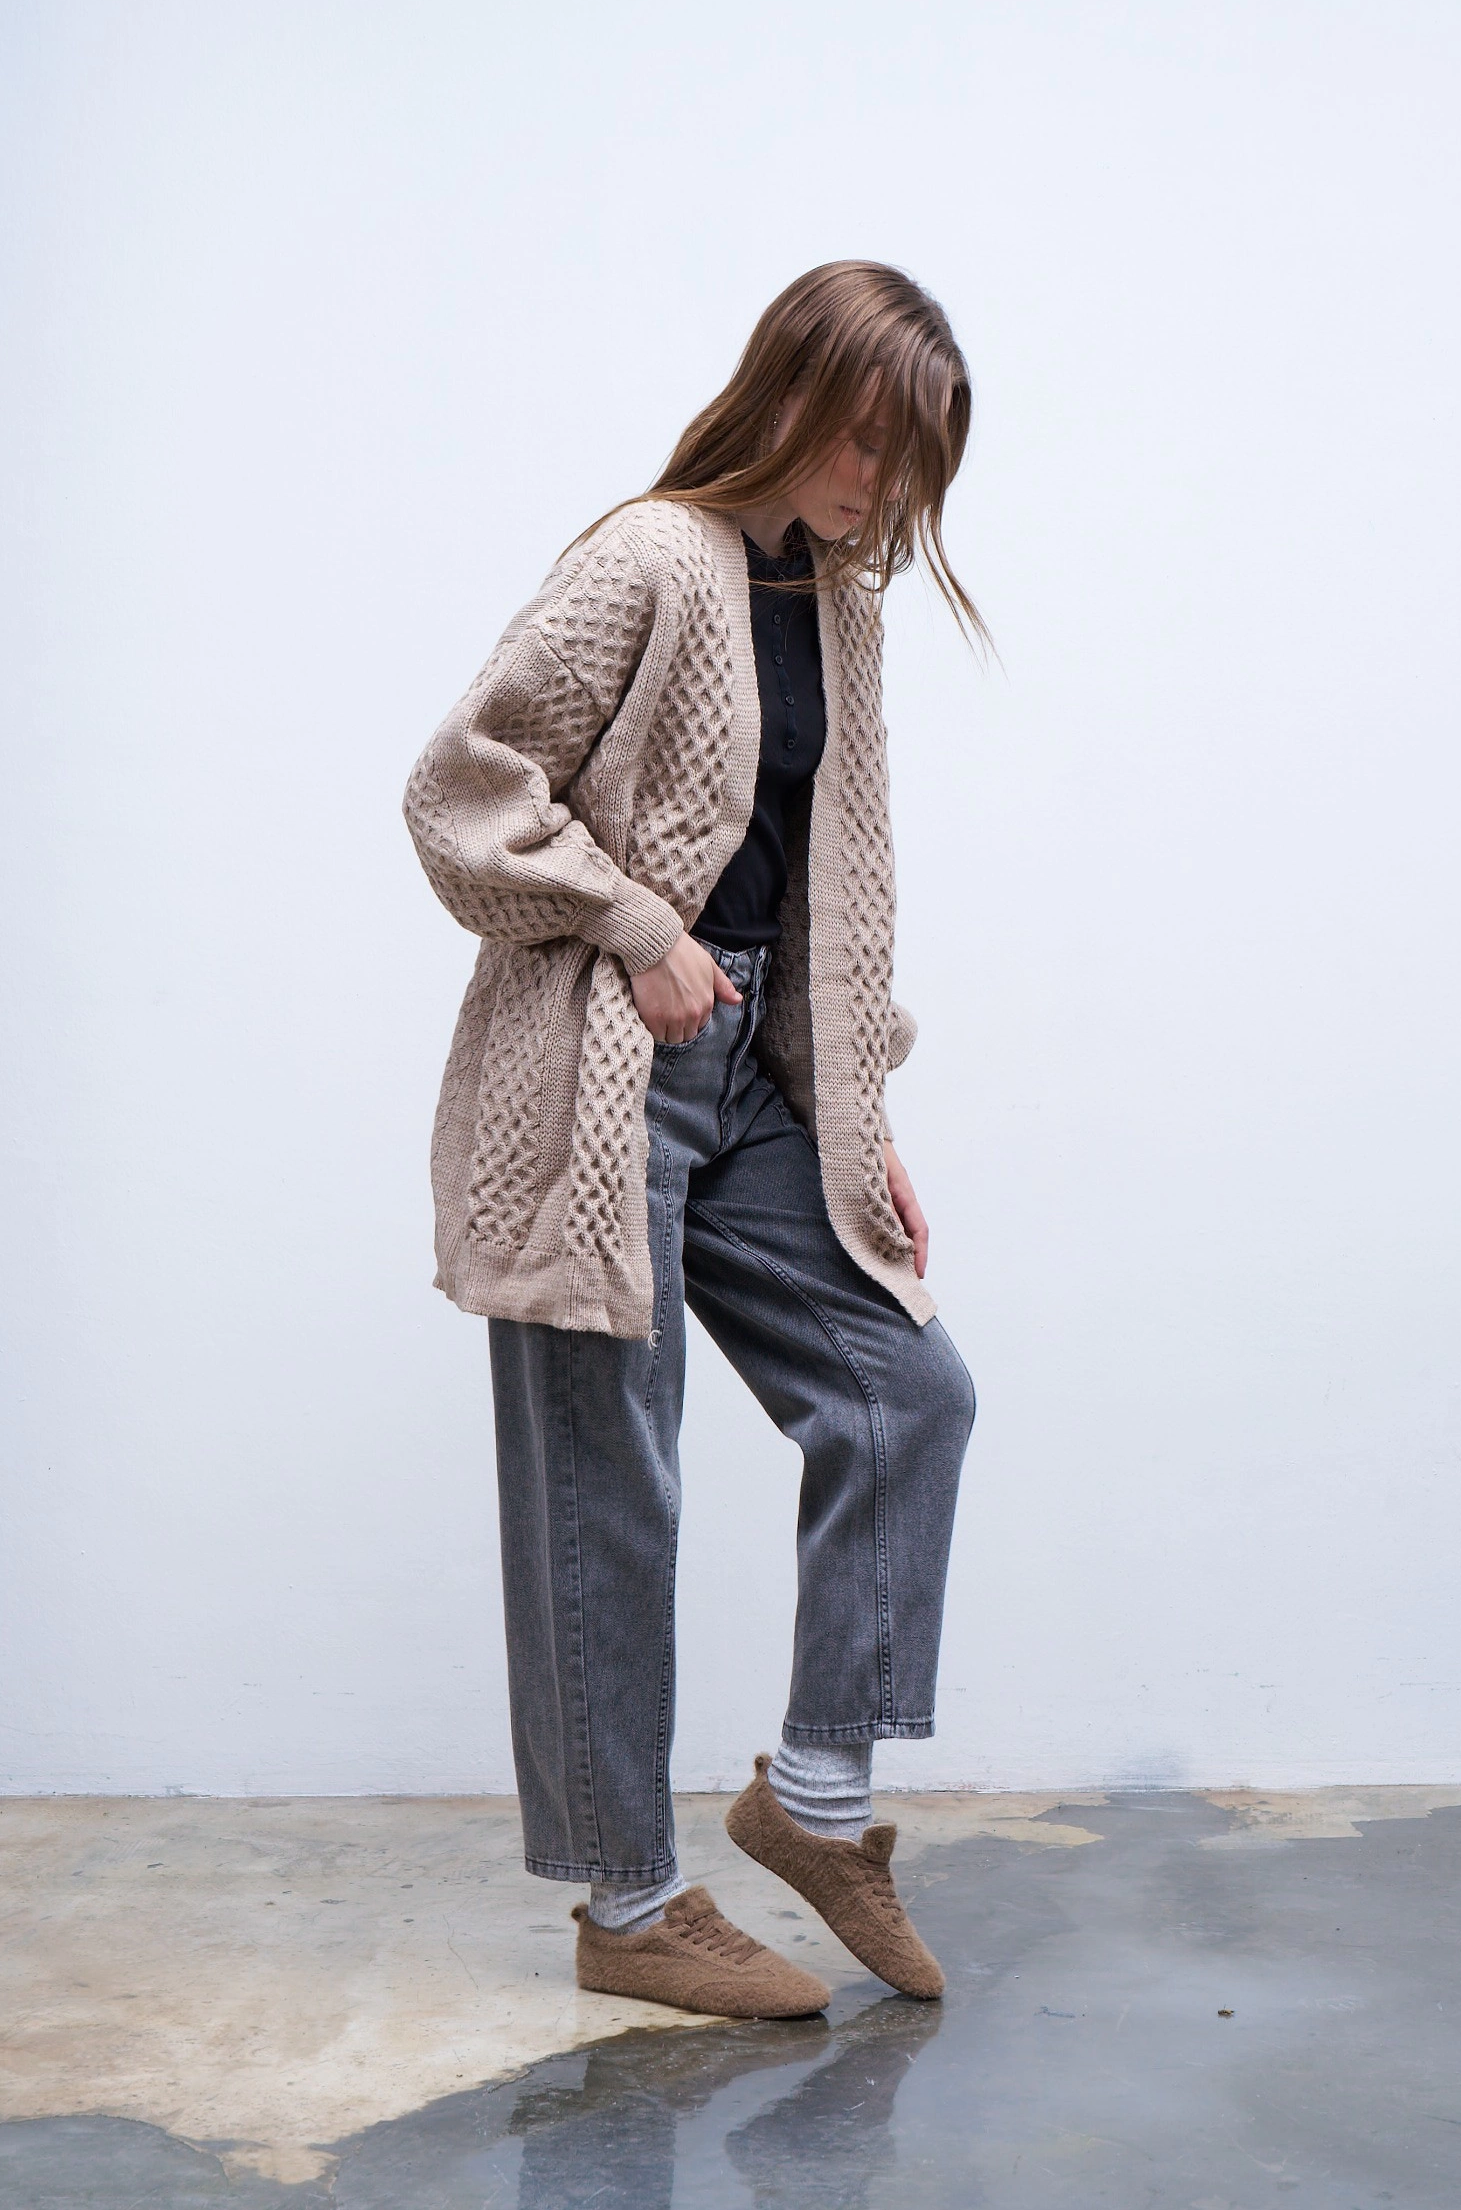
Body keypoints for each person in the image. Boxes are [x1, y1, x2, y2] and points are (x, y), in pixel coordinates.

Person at [403, 260, 981, 2019]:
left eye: (911, 458)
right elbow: (463, 791)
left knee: (905, 1395)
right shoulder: (649, 558)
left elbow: (820, 883)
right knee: (611, 1491)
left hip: (755, 1079)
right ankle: (632, 1909)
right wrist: (635, 926)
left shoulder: (834, 603)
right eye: (864, 440)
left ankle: (814, 1802)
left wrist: (856, 1111)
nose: (880, 484)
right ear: (785, 396)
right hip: (598, 1070)